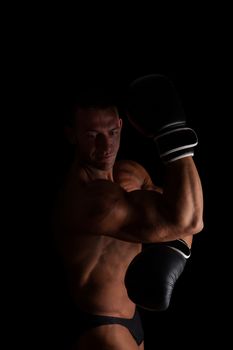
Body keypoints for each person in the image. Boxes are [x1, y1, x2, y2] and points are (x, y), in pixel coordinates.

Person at [52, 75, 204, 349]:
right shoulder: (89, 200)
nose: (106, 145)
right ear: (71, 135)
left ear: (122, 124)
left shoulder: (131, 172)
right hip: (101, 326)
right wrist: (173, 139)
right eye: (92, 135)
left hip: (133, 319)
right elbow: (189, 218)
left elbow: (184, 218)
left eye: (112, 132)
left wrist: (176, 242)